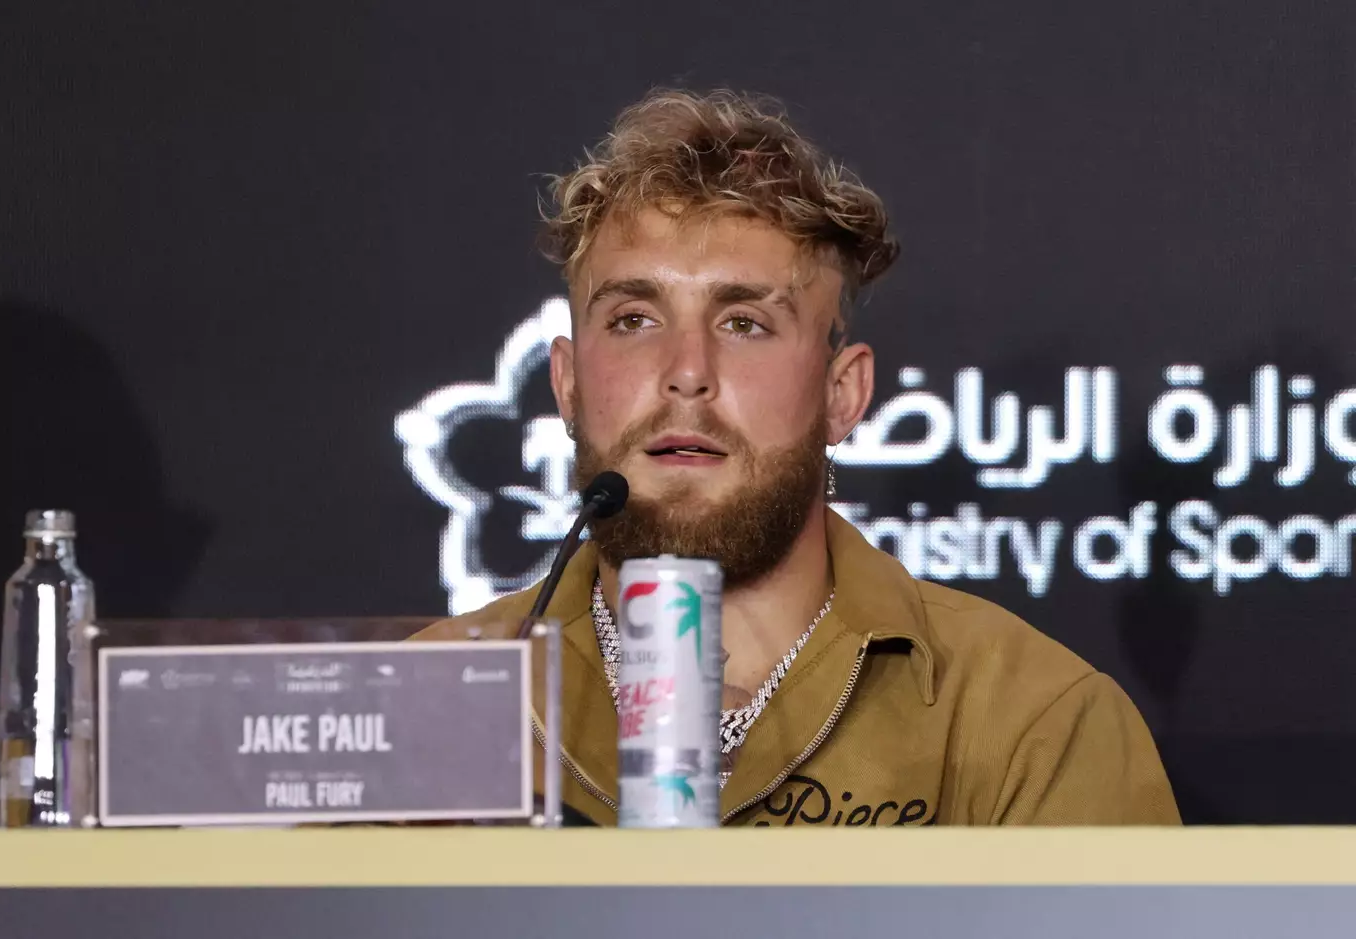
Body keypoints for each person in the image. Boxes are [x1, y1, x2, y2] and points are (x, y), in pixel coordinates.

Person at [413, 88, 1180, 826]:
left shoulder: (1030, 722)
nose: (687, 369)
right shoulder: (424, 703)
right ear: (569, 383)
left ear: (842, 394)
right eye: (634, 317)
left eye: (744, 322)